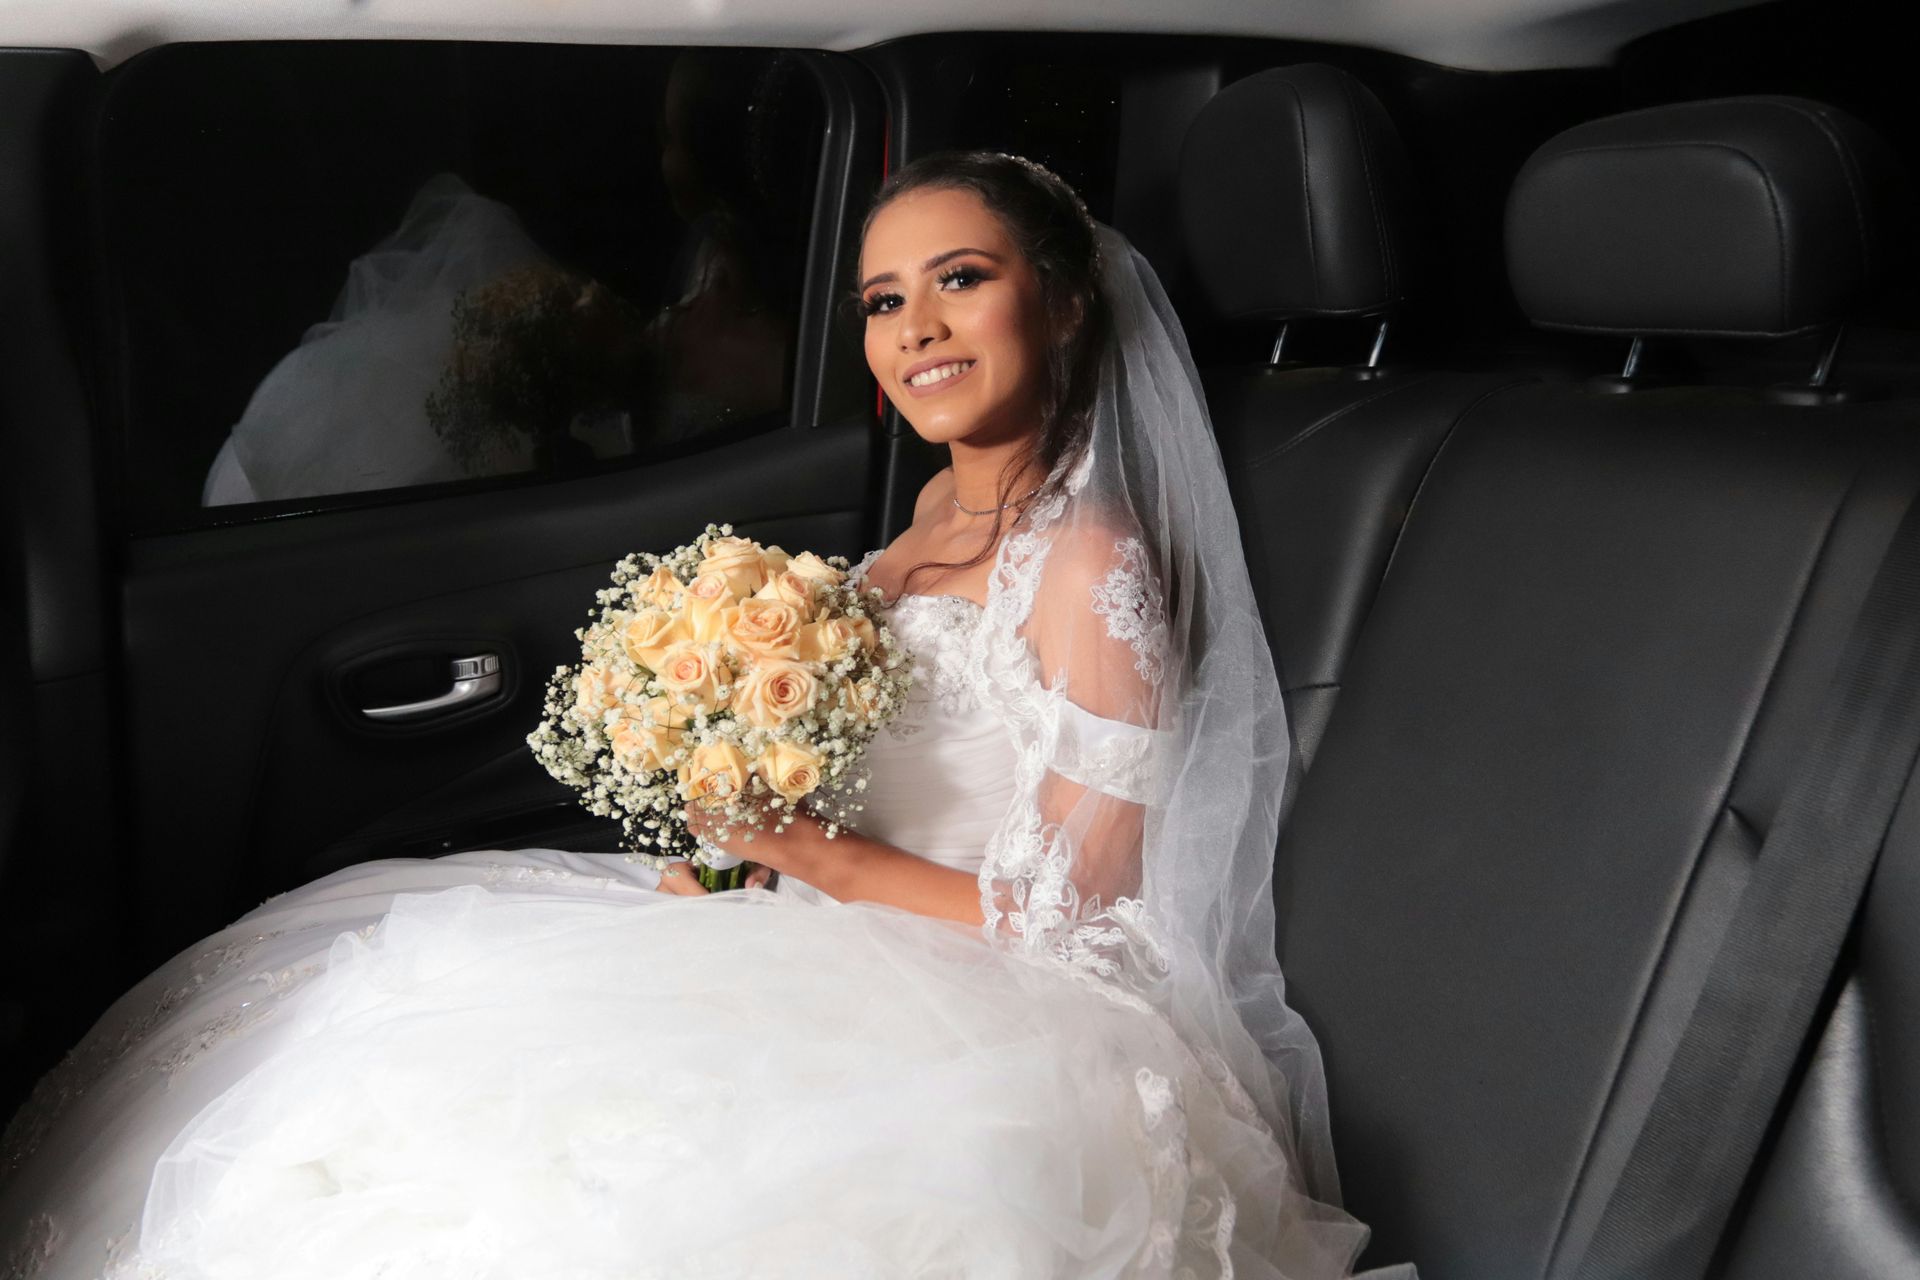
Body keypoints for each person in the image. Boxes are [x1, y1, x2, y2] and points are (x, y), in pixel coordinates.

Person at [0, 152, 1410, 1278]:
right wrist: (741, 820)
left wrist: (816, 862)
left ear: (1062, 305)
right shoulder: (928, 511)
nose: (914, 325)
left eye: (961, 280)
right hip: (824, 918)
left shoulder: (1092, 556)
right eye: (881, 299)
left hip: (995, 996)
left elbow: (1084, 910)